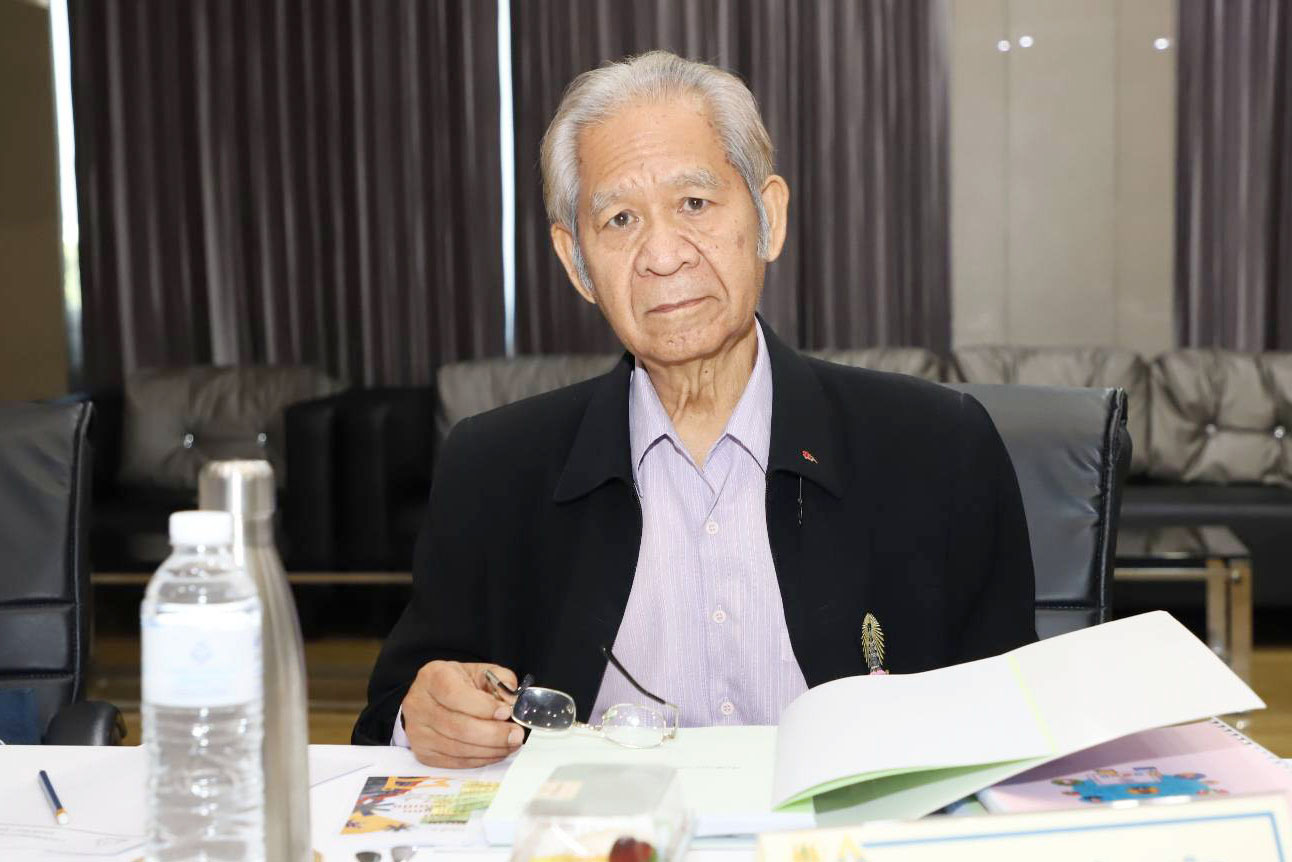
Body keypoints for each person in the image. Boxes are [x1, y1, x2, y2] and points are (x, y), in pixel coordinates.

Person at [353, 50, 1036, 766]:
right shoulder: (493, 468)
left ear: (769, 217)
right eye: (620, 218)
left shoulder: (938, 448)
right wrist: (428, 714)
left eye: (695, 204)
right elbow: (394, 714)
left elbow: (1017, 725)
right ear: (577, 263)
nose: (663, 254)